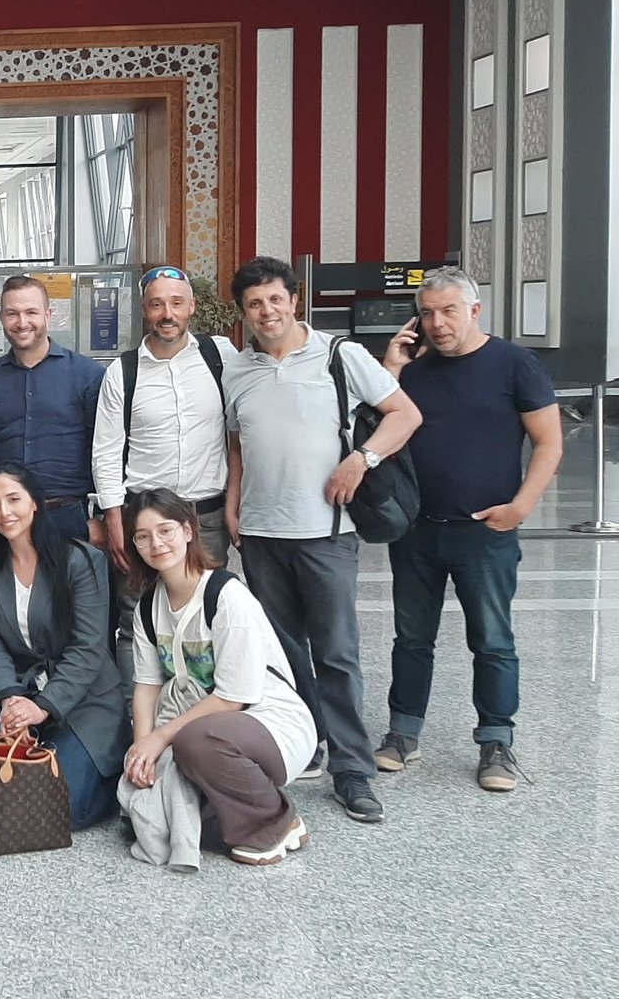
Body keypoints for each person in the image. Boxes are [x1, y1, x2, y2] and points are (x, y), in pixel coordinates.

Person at [223, 255, 421, 825]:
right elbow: (237, 445)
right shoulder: (237, 370)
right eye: (255, 304)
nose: (267, 311)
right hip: (261, 534)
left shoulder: (339, 355)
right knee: (283, 653)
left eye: (275, 299)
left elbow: (404, 415)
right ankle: (304, 740)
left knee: (336, 653)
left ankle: (352, 769)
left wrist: (361, 459)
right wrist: (234, 506)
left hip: (326, 533)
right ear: (244, 312)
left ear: (294, 301)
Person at [379, 265, 561, 792]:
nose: (437, 323)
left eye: (448, 311)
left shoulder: (514, 364)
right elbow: (376, 424)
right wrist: (391, 368)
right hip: (416, 531)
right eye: (427, 313)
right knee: (412, 638)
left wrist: (521, 507)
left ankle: (496, 741)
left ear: (474, 311)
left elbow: (549, 442)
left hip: (485, 533)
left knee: (492, 640)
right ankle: (403, 732)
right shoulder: (414, 370)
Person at [121, 489, 317, 868]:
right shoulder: (148, 606)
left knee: (194, 741)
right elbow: (146, 685)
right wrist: (142, 750)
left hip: (271, 723)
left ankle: (274, 823)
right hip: (204, 723)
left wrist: (160, 738)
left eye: (165, 530)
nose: (156, 544)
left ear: (188, 531)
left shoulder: (226, 596)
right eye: (143, 536)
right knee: (149, 792)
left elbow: (233, 697)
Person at [0, 464, 127, 830]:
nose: (4, 512)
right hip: (18, 686)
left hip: (82, 697)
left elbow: (88, 648)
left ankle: (108, 778)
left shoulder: (81, 561)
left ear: (35, 503)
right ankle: (29, 769)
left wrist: (43, 708)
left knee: (62, 808)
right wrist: (10, 699)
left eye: (13, 499)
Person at [93, 265, 237, 576]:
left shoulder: (220, 356)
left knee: (206, 601)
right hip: (144, 521)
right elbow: (106, 451)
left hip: (206, 520)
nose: (167, 314)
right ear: (144, 309)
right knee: (139, 602)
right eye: (157, 304)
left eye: (176, 303)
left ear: (191, 306)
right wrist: (113, 519)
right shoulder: (122, 372)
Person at [0, 274, 104, 548]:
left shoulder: (87, 375)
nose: (22, 323)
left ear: (48, 314)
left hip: (70, 516)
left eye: (31, 312)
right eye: (12, 313)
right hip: (3, 520)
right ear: (1, 318)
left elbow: (103, 451)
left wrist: (102, 516)